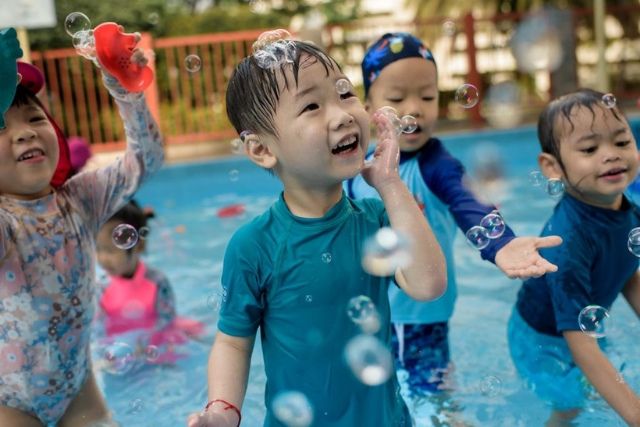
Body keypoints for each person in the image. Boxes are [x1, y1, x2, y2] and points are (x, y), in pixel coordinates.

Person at [187, 33, 447, 427]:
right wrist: (224, 409)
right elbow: (232, 342)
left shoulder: (375, 218)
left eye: (344, 93)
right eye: (311, 105)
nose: (342, 114)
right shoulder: (254, 246)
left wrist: (391, 184)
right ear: (261, 150)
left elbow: (429, 285)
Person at [346, 32, 563, 398]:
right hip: (369, 314)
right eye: (397, 99)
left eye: (428, 96)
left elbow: (469, 203)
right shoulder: (356, 168)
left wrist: (502, 244)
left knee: (429, 397)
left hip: (419, 314)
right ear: (369, 108)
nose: (414, 108)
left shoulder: (437, 165)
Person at [0, 31, 164, 426]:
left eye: (35, 118)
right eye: (0, 127)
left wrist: (126, 89)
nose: (24, 131)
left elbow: (146, 161)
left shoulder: (80, 199)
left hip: (78, 387)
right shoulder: (6, 223)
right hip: (9, 404)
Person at [508, 89, 640, 426]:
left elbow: (625, 271)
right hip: (542, 341)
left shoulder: (629, 212)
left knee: (594, 388)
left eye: (622, 142)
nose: (611, 155)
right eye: (590, 149)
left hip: (582, 323)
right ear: (553, 167)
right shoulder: (568, 242)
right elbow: (581, 345)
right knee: (570, 406)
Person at [95, 200, 204, 365]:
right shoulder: (101, 286)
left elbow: (166, 320)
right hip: (118, 348)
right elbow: (97, 328)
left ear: (138, 246)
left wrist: (146, 342)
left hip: (154, 344)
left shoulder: (157, 281)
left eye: (110, 250)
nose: (102, 259)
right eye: (98, 249)